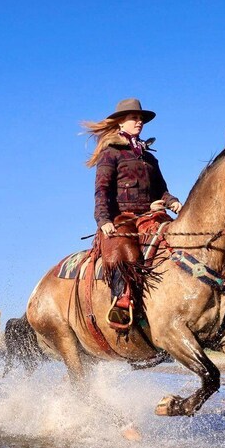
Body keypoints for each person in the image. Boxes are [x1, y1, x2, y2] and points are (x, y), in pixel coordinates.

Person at [82, 98, 182, 327]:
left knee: (175, 242)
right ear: (120, 123)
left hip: (150, 216)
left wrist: (172, 201)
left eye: (141, 119)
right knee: (123, 253)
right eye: (134, 118)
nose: (139, 122)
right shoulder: (111, 153)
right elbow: (102, 190)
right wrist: (104, 220)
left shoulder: (149, 157)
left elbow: (161, 190)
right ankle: (121, 303)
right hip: (122, 219)